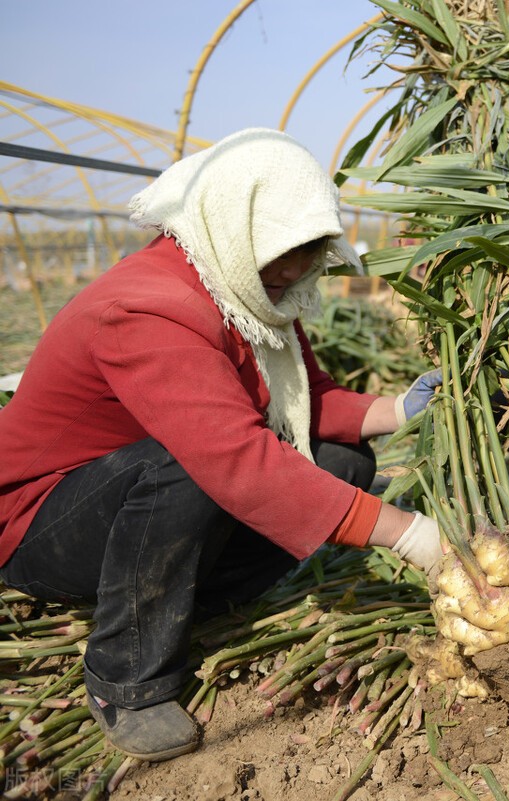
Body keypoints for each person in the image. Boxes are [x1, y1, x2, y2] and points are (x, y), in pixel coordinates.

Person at [0, 129, 444, 761]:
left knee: (342, 462)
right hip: (41, 520)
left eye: (306, 251)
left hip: (133, 505)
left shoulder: (244, 292)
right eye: (279, 251)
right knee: (187, 466)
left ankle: (192, 598)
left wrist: (397, 409)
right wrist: (411, 534)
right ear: (232, 229)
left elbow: (305, 402)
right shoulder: (148, 308)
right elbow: (233, 458)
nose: (292, 270)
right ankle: (125, 681)